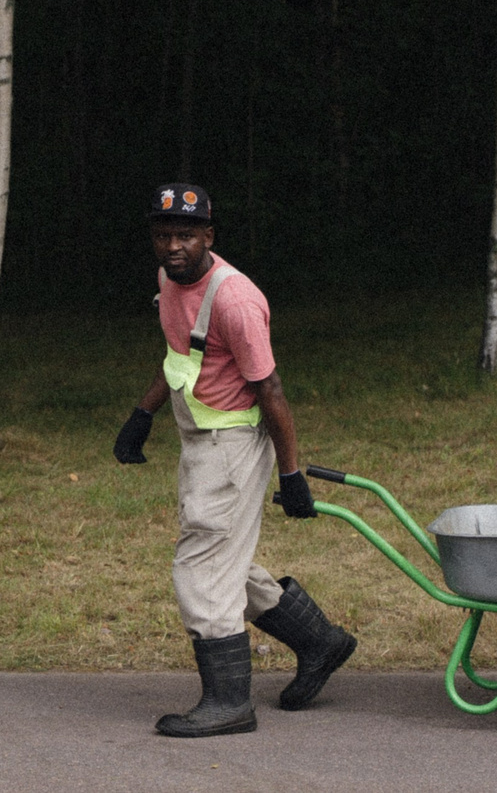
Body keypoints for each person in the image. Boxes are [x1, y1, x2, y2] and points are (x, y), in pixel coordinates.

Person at [112, 182, 357, 737]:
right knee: (221, 557)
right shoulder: (171, 281)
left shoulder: (236, 301)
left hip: (233, 447)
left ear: (209, 237)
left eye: (186, 235)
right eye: (163, 235)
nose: (173, 246)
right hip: (200, 441)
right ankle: (319, 642)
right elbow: (180, 354)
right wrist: (142, 414)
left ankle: (229, 702)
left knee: (200, 569)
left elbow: (272, 391)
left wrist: (291, 475)